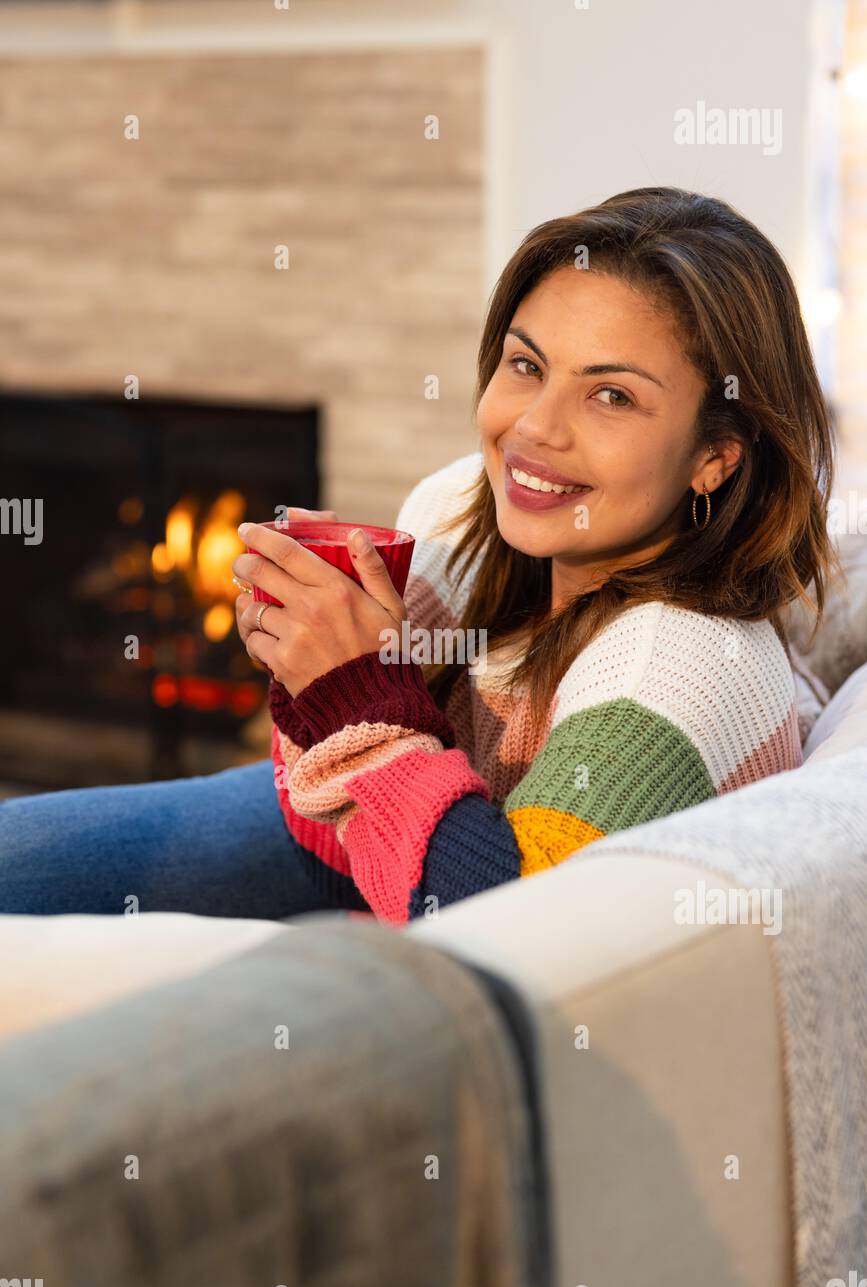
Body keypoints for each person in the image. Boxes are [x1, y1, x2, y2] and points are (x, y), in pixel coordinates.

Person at [0, 187, 838, 926]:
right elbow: (329, 786)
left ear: (714, 455)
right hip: (366, 851)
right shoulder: (461, 517)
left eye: (610, 395)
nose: (533, 429)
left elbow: (511, 931)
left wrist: (352, 689)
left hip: (474, 924)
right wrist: (316, 661)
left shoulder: (683, 664)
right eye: (525, 365)